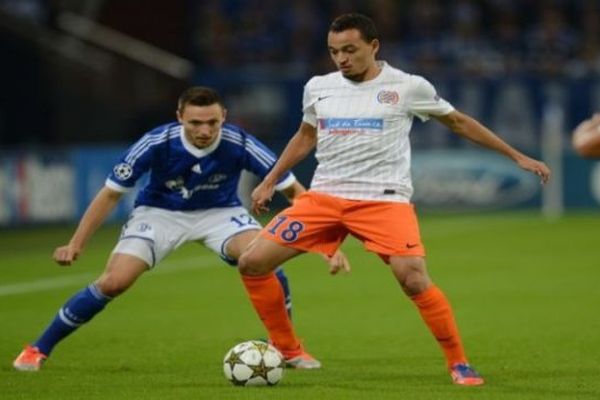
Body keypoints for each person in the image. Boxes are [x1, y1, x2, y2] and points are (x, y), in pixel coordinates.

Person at [237, 13, 551, 386]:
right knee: (252, 261)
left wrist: (517, 157)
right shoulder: (319, 86)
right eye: (334, 51)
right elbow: (305, 136)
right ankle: (288, 348)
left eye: (350, 50)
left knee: (413, 278)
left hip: (383, 200)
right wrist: (270, 180)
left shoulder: (407, 86)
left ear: (373, 47)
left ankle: (459, 363)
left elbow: (460, 122)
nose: (341, 59)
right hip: (324, 197)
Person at [13, 86, 347, 371]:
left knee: (263, 258)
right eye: (196, 123)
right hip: (159, 213)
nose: (205, 131)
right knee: (114, 282)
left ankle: (287, 347)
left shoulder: (239, 142)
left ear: (224, 116)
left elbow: (294, 192)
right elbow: (110, 194)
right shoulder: (156, 143)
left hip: (220, 212)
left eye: (213, 122)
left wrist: (327, 246)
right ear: (179, 118)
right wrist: (76, 243)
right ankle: (37, 348)